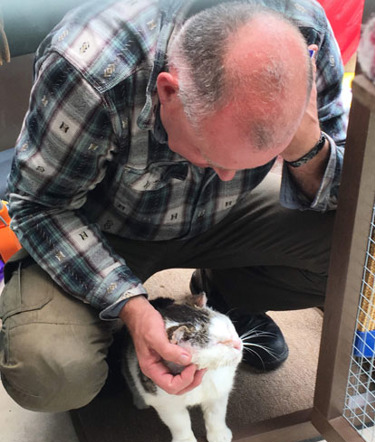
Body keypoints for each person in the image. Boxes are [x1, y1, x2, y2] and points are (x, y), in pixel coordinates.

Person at [0, 0, 346, 412]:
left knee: (357, 251)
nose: (227, 175)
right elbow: (37, 204)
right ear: (167, 90)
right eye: (210, 156)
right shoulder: (92, 64)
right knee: (51, 373)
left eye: (249, 161)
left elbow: (352, 188)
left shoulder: (305, 29)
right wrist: (128, 305)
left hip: (227, 215)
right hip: (99, 226)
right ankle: (114, 334)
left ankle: (224, 302)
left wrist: (307, 151)